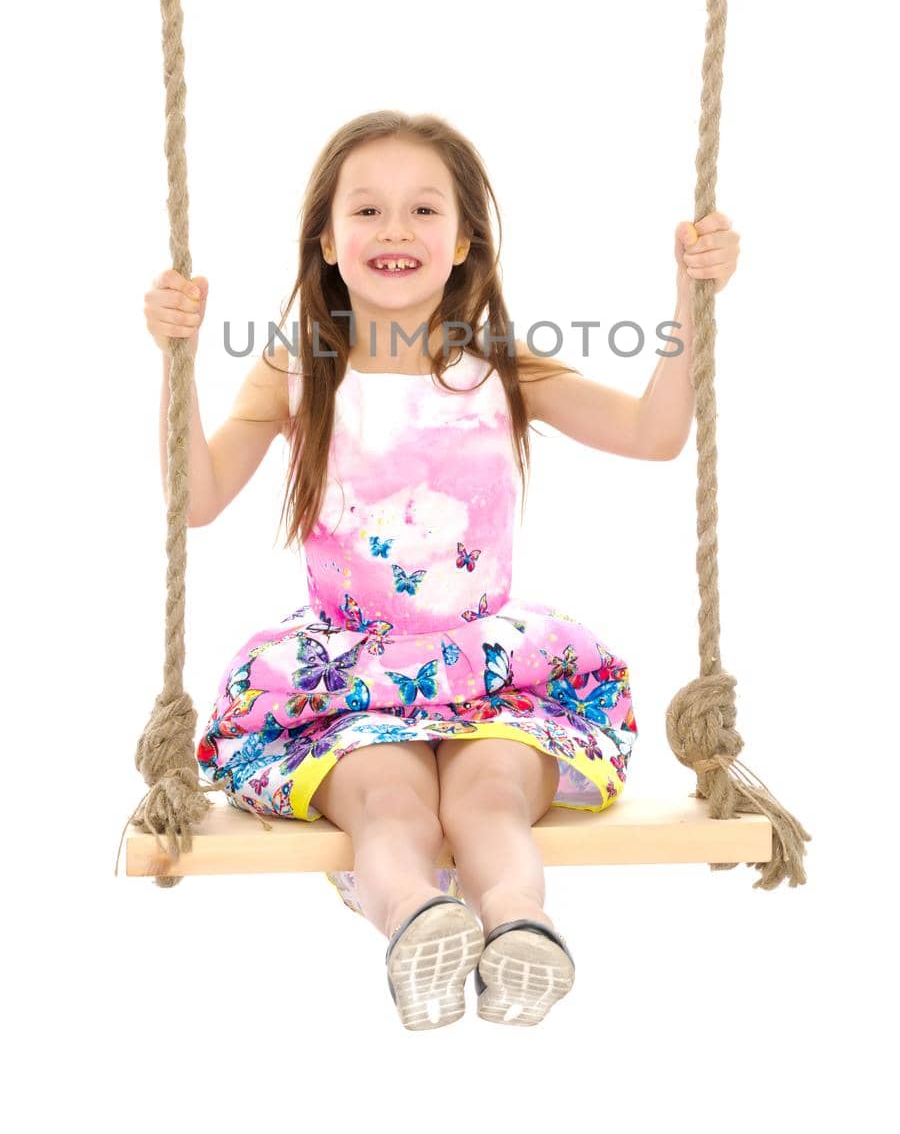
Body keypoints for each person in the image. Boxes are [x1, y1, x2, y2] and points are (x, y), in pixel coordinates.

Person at [144, 109, 740, 1028]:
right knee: (388, 804)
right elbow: (200, 494)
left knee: (489, 795)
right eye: (368, 210)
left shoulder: (499, 368)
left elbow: (654, 434)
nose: (394, 230)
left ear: (463, 240)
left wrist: (688, 301)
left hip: (491, 672)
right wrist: (176, 364)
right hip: (345, 682)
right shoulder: (297, 370)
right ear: (327, 241)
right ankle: (421, 926)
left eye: (424, 210)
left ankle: (521, 930)